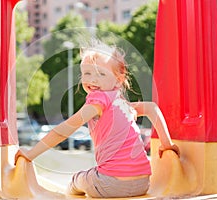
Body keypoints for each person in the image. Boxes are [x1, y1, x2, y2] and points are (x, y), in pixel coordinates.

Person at [14, 40, 180, 198]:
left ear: (119, 78)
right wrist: (167, 145)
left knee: (77, 179)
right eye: (87, 73)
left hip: (110, 184)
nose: (93, 80)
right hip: (142, 182)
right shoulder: (124, 104)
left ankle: (71, 193)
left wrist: (30, 154)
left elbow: (65, 129)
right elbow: (152, 108)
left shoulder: (98, 101)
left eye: (101, 73)